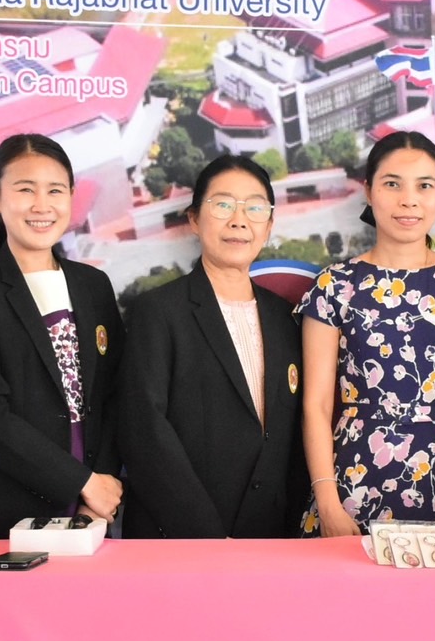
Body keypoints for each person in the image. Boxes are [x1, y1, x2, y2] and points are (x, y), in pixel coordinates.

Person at [299, 131, 435, 536]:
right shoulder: (335, 285)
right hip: (352, 482)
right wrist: (328, 502)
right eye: (392, 184)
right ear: (368, 191)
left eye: (424, 186)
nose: (409, 200)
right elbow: (316, 404)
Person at [0, 134, 125, 538]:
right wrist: (80, 482)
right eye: (25, 190)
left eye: (55, 190)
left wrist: (100, 487)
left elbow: (114, 396)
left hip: (96, 508)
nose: (42, 205)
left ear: (71, 195)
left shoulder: (93, 285)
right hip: (10, 510)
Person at [119, 155, 305, 538]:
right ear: (193, 218)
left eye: (255, 208)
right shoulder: (158, 312)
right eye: (223, 205)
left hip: (267, 537)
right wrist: (209, 538)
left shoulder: (285, 318)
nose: (239, 220)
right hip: (181, 538)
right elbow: (144, 432)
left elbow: (286, 442)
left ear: (269, 226)